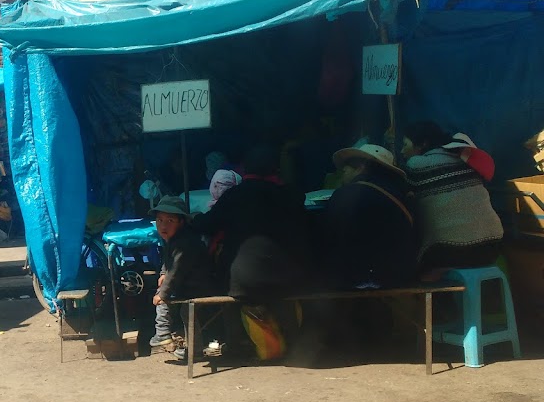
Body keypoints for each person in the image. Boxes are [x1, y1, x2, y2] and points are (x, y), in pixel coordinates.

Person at [192, 145, 310, 302]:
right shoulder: (290, 196)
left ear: (245, 170)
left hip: (241, 283)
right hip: (288, 282)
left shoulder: (234, 195)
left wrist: (195, 218)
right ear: (276, 169)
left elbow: (206, 225)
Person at [402, 122, 504, 275]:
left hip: (448, 251)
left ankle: (428, 288)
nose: (402, 151)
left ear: (423, 144)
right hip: (492, 245)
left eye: (405, 144)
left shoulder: (416, 165)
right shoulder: (466, 160)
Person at [322, 144, 418, 289]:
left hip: (350, 278)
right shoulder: (402, 194)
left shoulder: (343, 194)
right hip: (398, 276)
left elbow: (328, 235)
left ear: (361, 167)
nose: (343, 172)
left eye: (346, 168)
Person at [149, 196, 211, 354]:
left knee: (163, 297)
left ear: (181, 222)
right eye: (160, 220)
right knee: (183, 309)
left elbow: (177, 270)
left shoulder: (185, 242)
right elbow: (169, 262)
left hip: (199, 286)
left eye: (170, 220)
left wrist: (163, 293)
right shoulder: (174, 239)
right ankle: (195, 351)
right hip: (189, 284)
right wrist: (164, 273)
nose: (163, 225)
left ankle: (162, 333)